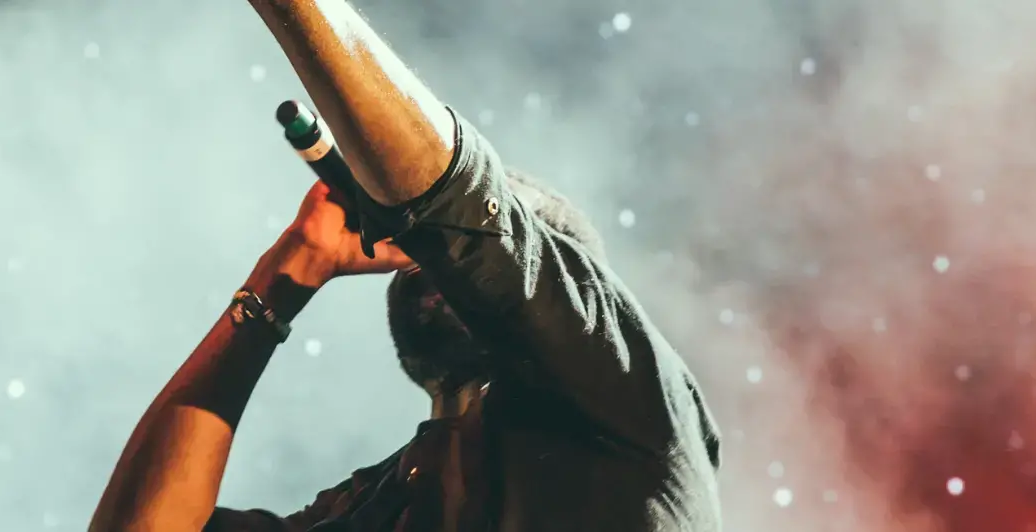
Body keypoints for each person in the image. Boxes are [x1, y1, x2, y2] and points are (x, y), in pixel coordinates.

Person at [86, 0, 724, 530]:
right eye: (413, 249)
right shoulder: (364, 504)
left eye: (443, 251)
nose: (424, 255)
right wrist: (280, 279)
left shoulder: (634, 402)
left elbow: (469, 218)